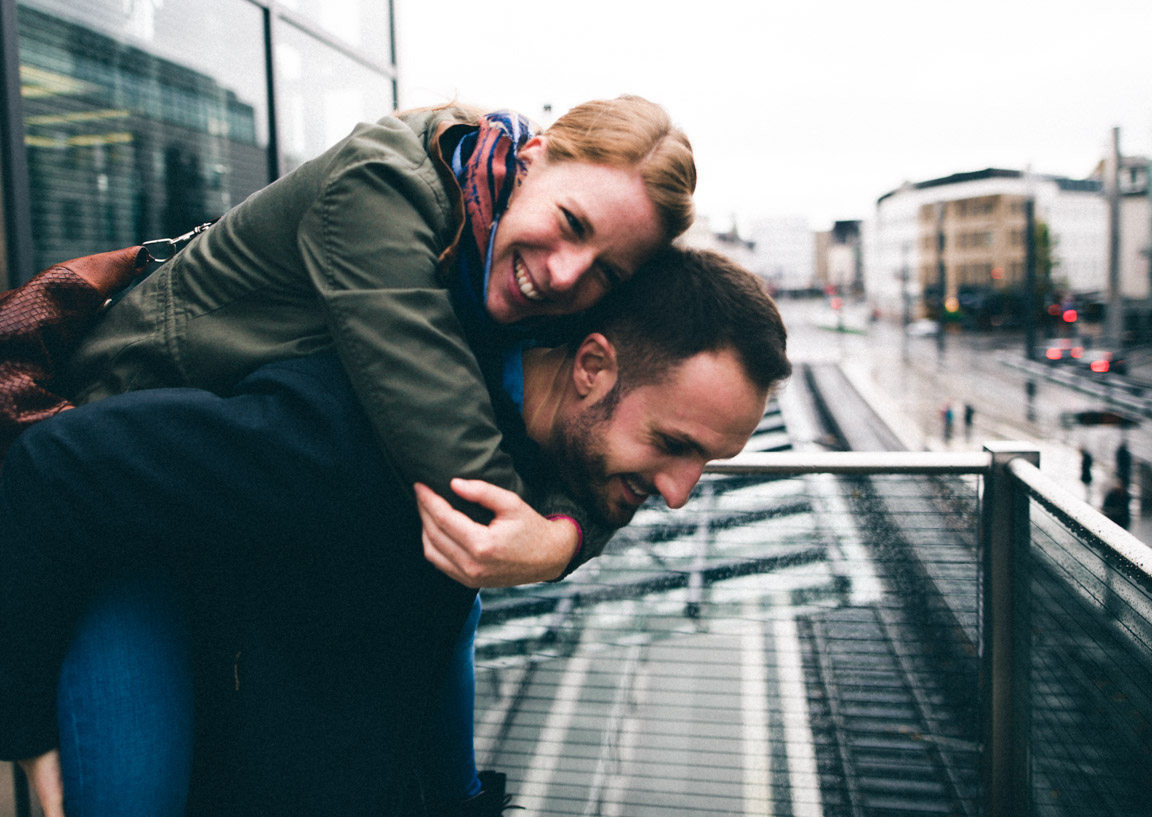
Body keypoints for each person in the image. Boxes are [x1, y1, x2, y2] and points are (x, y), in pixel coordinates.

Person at [1, 95, 695, 813]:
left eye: (607, 272)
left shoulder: (497, 269)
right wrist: (556, 542)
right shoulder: (384, 185)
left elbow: (582, 453)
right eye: (572, 222)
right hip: (115, 474)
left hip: (224, 487)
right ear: (533, 157)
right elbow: (466, 472)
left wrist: (568, 527)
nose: (566, 274)